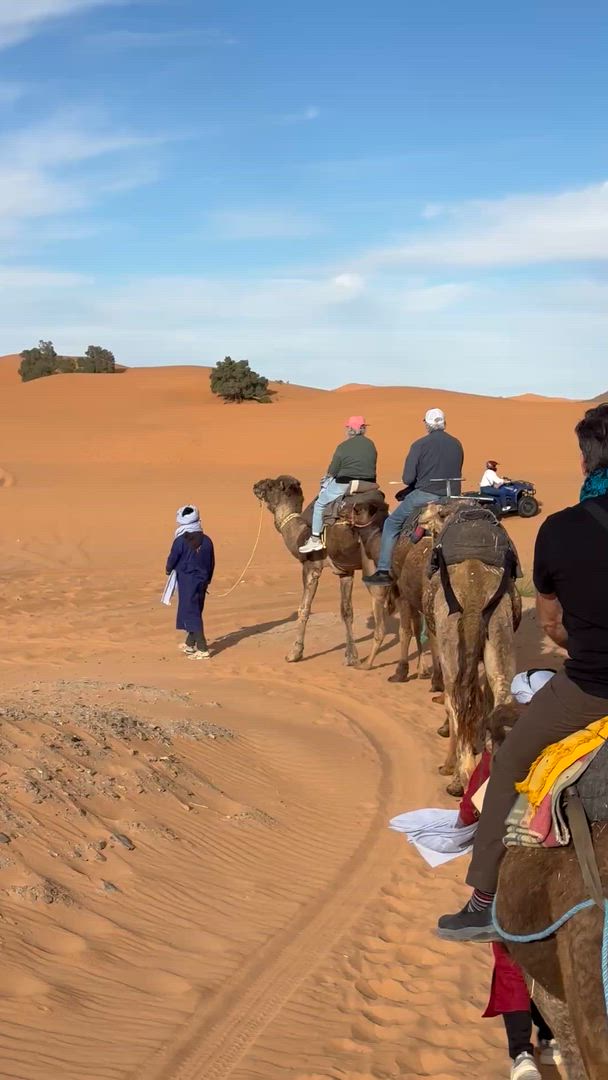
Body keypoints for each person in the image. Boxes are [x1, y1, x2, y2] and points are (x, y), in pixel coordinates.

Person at [438, 402, 608, 941]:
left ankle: (483, 901)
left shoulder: (559, 530)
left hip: (592, 690)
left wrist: (586, 643)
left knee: (509, 759)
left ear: (585, 462)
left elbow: (552, 624)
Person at [458, 748, 559, 1080]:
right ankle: (550, 1037)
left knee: (509, 956)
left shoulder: (500, 754)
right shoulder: (574, 740)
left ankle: (521, 1053)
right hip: (563, 863)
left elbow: (469, 810)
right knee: (555, 948)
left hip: (510, 864)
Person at [364, 408, 463, 586]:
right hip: (453, 496)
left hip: (427, 494)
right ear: (444, 423)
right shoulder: (456, 443)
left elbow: (408, 478)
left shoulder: (420, 445)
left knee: (391, 523)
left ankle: (383, 570)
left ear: (427, 424)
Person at [299, 416, 377, 554]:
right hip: (369, 484)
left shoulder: (343, 447)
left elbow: (333, 470)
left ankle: (315, 539)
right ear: (363, 429)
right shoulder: (371, 444)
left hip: (346, 484)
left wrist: (327, 478)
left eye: (348, 427)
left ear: (350, 429)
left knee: (320, 504)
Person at [165, 505, 215, 659]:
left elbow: (173, 558)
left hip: (188, 581)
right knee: (194, 610)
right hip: (202, 580)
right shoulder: (207, 540)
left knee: (191, 612)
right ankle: (190, 643)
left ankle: (203, 649)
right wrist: (208, 579)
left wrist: (168, 569)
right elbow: (211, 562)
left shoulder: (180, 540)